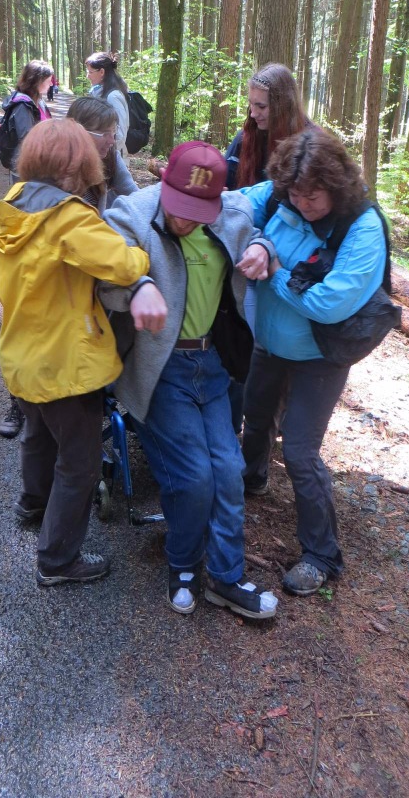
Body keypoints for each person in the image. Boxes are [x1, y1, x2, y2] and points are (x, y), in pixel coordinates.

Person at [98, 141, 279, 621]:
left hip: (213, 366)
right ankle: (182, 566)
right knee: (194, 477)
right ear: (164, 184)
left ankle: (226, 577)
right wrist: (137, 286)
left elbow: (261, 230)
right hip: (160, 370)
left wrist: (263, 247)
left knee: (228, 471)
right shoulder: (132, 215)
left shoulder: (233, 214)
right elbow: (100, 275)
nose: (185, 221)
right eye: (179, 209)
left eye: (199, 212)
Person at [0, 119, 150, 586]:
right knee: (78, 461)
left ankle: (33, 504)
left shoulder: (12, 209)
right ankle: (58, 560)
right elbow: (121, 263)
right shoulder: (68, 219)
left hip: (22, 356)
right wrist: (142, 258)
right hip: (66, 363)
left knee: (38, 436)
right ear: (77, 166)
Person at [237, 128, 387, 597]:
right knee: (255, 419)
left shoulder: (362, 226)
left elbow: (330, 304)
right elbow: (235, 202)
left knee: (300, 452)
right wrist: (260, 240)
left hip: (321, 356)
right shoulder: (281, 195)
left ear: (336, 185)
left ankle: (322, 554)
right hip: (270, 344)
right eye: (295, 193)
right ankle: (253, 479)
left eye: (313, 195)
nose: (302, 203)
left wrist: (277, 272)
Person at [0, 59, 54, 440]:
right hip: (29, 199)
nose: (53, 83)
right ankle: (18, 403)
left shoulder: (35, 103)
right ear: (37, 80)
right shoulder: (23, 107)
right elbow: (28, 153)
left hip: (45, 198)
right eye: (49, 78)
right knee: (24, 308)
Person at [225, 62, 316, 190]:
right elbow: (224, 182)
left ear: (283, 106)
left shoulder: (312, 144)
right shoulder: (245, 139)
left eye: (261, 106)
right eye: (251, 104)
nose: (253, 114)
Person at [66, 97, 137, 213]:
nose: (112, 141)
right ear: (79, 132)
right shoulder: (57, 164)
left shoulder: (111, 158)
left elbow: (135, 196)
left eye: (113, 132)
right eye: (104, 134)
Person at [85, 51, 129, 159]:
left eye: (90, 72)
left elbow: (120, 133)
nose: (87, 76)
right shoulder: (99, 92)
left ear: (101, 72)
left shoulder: (113, 97)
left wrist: (107, 153)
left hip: (111, 157)